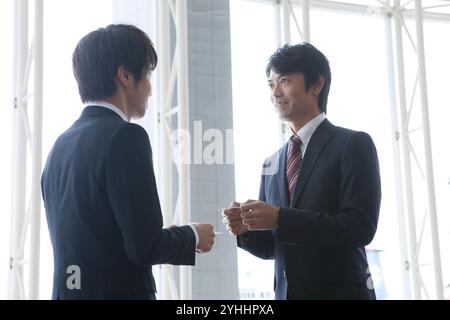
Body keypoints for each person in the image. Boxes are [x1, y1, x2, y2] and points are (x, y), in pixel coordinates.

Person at [41, 24, 215, 300]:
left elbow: (99, 237)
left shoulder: (59, 147)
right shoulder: (126, 136)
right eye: (146, 75)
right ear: (124, 75)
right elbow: (144, 247)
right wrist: (193, 235)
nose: (149, 88)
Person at [223, 43, 381, 300]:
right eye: (270, 84)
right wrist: (246, 231)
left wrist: (280, 218)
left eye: (284, 81)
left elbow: (359, 226)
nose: (275, 93)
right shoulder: (270, 163)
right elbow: (274, 246)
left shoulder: (353, 144)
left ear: (317, 84)